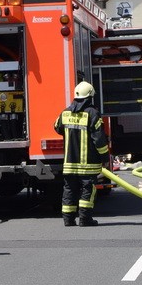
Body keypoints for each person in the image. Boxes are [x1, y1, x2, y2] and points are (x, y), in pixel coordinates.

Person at [54, 81, 109, 226]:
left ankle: (68, 219)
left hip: (69, 163)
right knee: (87, 190)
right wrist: (105, 157)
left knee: (69, 190)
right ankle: (85, 219)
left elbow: (57, 127)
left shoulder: (65, 113)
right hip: (87, 164)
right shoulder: (92, 113)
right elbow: (99, 139)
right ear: (90, 96)